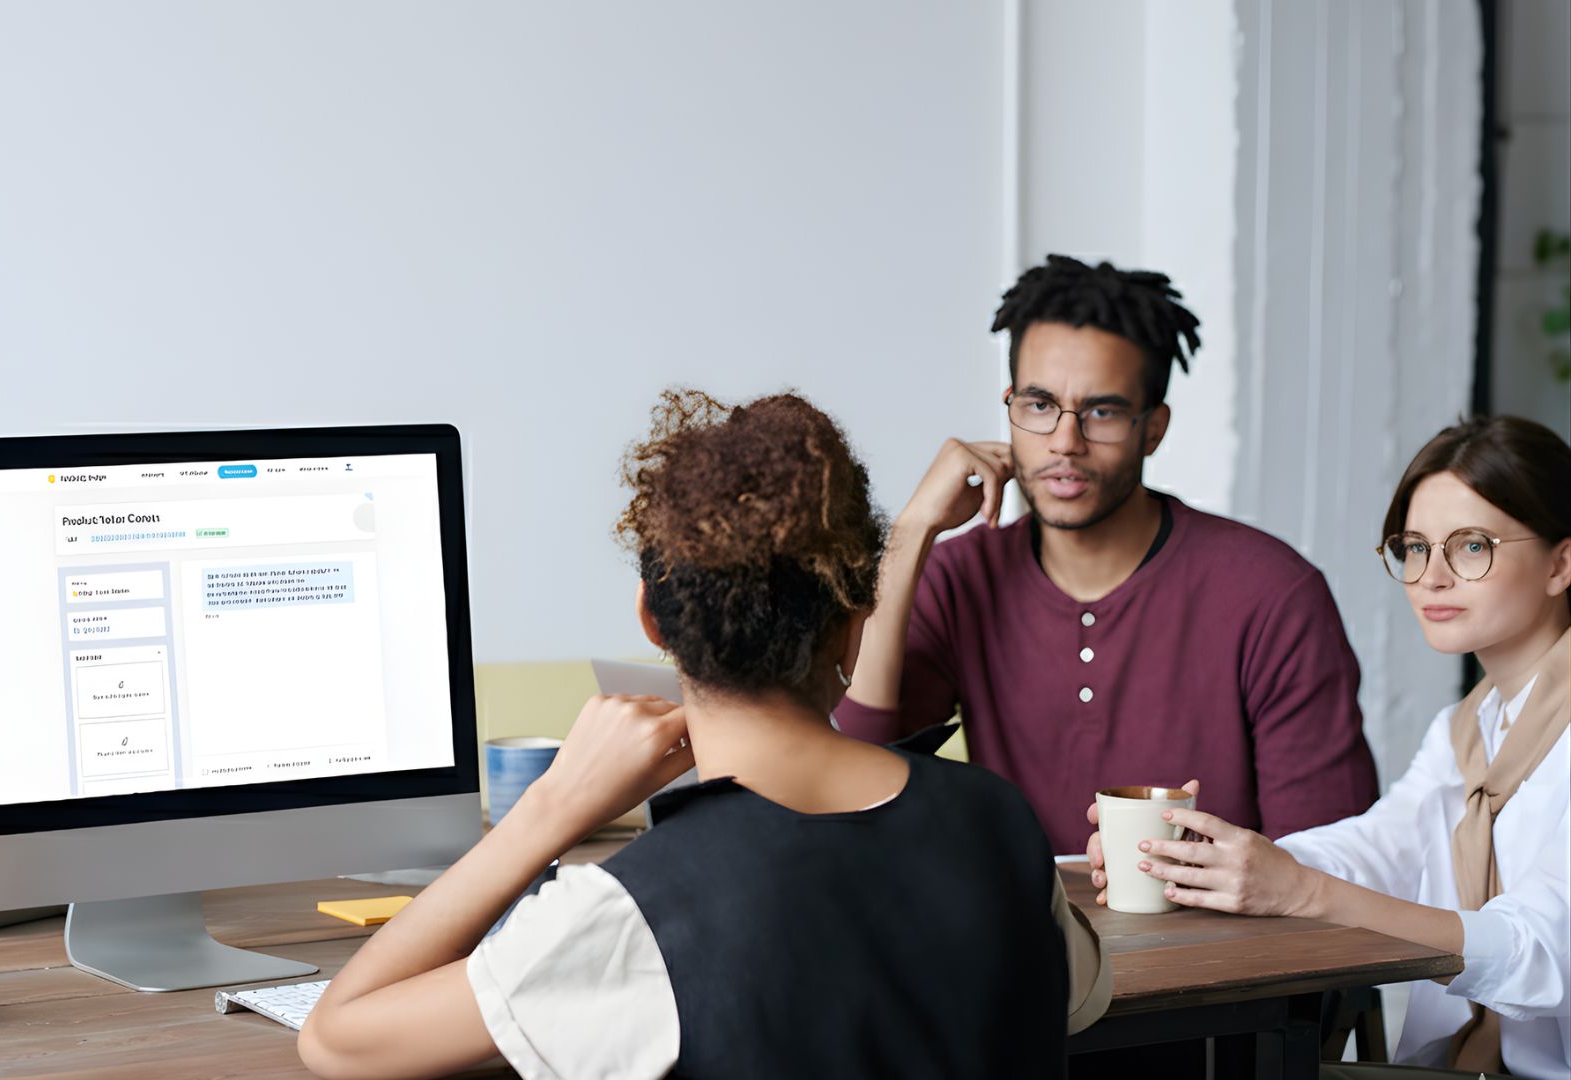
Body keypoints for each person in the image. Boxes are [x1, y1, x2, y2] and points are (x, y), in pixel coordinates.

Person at [298, 389, 1110, 1079]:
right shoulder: (1002, 827)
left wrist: (550, 809)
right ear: (852, 628)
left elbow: (336, 1037)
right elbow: (1074, 996)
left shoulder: (630, 914)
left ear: (652, 620)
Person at [839, 254, 1380, 854]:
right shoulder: (960, 576)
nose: (1064, 443)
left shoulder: (1272, 595)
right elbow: (852, 778)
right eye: (1039, 406)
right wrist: (911, 531)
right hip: (1020, 943)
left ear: (1153, 427)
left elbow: (1331, 860)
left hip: (1220, 946)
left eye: (1102, 411)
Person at [1086, 416, 1570, 1078]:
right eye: (1416, 547)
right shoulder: (1466, 730)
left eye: (1472, 546)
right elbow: (1377, 849)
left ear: (1562, 563)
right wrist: (1214, 864)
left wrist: (1303, 893)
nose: (1431, 577)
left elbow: (1541, 950)